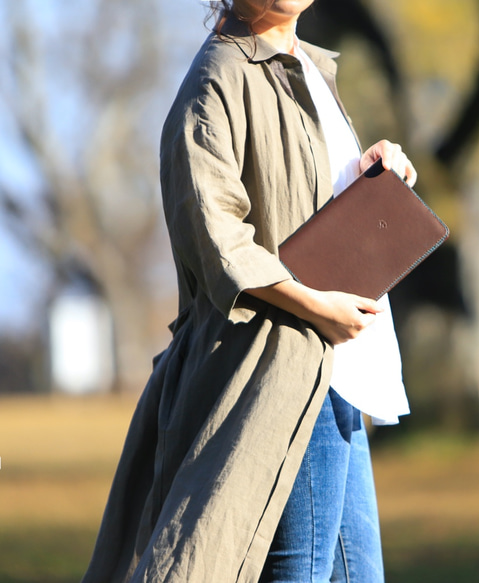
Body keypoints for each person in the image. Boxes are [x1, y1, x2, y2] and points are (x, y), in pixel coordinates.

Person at [81, 1, 417, 582]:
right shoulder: (217, 78)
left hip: (336, 377)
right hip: (277, 378)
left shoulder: (306, 66)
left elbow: (298, 203)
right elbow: (217, 239)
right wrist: (317, 307)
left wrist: (365, 175)